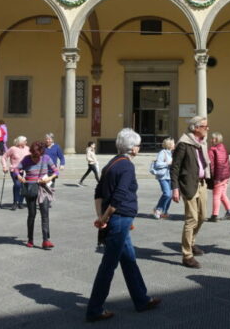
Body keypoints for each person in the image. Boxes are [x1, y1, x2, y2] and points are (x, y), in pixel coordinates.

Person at [86, 128, 161, 322]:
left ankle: (141, 299)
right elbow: (119, 195)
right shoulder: (127, 166)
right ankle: (94, 309)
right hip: (120, 217)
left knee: (129, 260)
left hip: (115, 218)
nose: (139, 148)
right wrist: (104, 218)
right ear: (133, 148)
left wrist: (101, 216)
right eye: (138, 144)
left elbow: (98, 192)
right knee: (108, 265)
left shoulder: (111, 163)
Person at [171, 116, 211, 268]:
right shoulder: (184, 144)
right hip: (188, 184)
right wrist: (175, 188)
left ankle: (192, 242)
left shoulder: (201, 143)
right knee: (191, 219)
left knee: (202, 216)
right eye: (205, 126)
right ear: (196, 128)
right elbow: (175, 167)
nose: (207, 128)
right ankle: (187, 255)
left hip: (202, 183)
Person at [17, 141, 59, 249]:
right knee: (32, 214)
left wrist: (49, 178)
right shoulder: (27, 158)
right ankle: (30, 239)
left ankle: (46, 240)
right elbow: (16, 169)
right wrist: (19, 176)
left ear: (41, 153)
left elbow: (56, 171)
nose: (35, 159)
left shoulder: (46, 158)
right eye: (34, 156)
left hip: (43, 188)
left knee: (45, 214)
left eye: (38, 156)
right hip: (30, 188)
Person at [207, 132, 230, 222]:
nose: (211, 140)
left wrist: (214, 178)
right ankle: (229, 212)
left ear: (217, 139)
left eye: (213, 138)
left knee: (216, 196)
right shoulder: (223, 147)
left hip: (219, 176)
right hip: (226, 175)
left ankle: (214, 215)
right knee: (222, 195)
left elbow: (212, 165)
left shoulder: (212, 150)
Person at [1, 136, 30, 210]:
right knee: (17, 184)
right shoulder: (12, 149)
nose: (26, 142)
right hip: (14, 170)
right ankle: (15, 202)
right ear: (20, 142)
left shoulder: (27, 149)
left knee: (24, 186)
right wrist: (4, 166)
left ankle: (20, 202)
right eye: (25, 141)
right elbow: (4, 157)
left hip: (25, 171)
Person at [152, 138, 174, 219]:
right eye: (173, 143)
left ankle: (164, 211)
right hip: (163, 176)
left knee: (170, 195)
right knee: (167, 194)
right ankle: (158, 209)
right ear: (169, 145)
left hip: (170, 176)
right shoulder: (162, 152)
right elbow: (157, 164)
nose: (174, 145)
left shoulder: (172, 153)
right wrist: (168, 163)